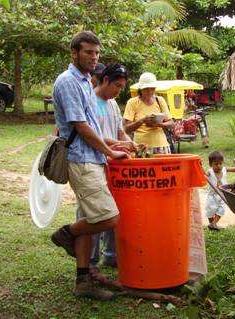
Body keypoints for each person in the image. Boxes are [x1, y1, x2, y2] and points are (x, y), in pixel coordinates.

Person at [51, 31, 130, 301]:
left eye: (96, 53)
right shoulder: (67, 82)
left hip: (93, 157)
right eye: (88, 52)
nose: (93, 57)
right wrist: (108, 149)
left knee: (88, 217)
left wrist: (114, 145)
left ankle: (83, 281)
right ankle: (65, 234)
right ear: (74, 53)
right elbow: (81, 126)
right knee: (108, 218)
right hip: (81, 159)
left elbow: (93, 126)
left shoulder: (86, 81)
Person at [76, 63, 138, 270]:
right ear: (105, 80)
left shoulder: (112, 104)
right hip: (93, 164)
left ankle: (111, 255)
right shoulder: (89, 101)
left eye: (122, 87)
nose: (118, 91)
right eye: (117, 86)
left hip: (115, 167)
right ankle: (90, 260)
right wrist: (118, 145)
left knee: (114, 210)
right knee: (91, 213)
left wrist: (131, 142)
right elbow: (93, 136)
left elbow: (120, 131)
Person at [123, 72, 175, 154]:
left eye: (152, 88)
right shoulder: (132, 102)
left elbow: (172, 124)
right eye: (146, 89)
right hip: (141, 147)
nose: (150, 91)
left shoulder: (160, 100)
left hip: (161, 146)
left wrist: (159, 124)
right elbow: (127, 129)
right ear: (141, 89)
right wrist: (143, 120)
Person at [205, 151, 235, 231]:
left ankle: (214, 223)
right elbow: (204, 174)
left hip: (222, 195)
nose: (219, 166)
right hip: (212, 196)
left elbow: (234, 169)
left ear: (223, 163)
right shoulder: (210, 172)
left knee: (222, 209)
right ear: (211, 165)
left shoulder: (224, 169)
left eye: (220, 164)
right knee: (210, 211)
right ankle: (212, 224)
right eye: (216, 164)